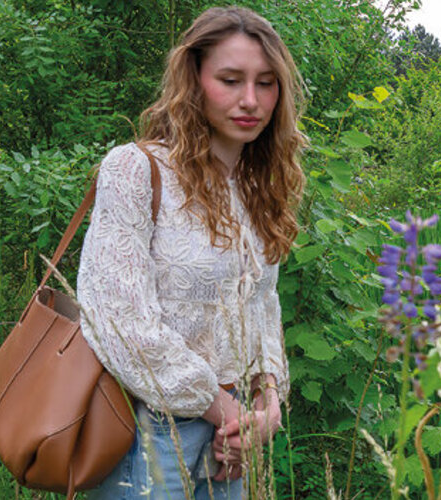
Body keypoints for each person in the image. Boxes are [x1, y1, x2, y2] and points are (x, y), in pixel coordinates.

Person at [77, 6, 305, 498]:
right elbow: (118, 319)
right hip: (149, 432)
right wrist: (225, 410)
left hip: (233, 439)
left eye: (266, 83)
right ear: (194, 79)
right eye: (230, 80)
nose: (251, 100)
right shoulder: (136, 170)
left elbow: (263, 307)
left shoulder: (257, 187)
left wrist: (267, 406)